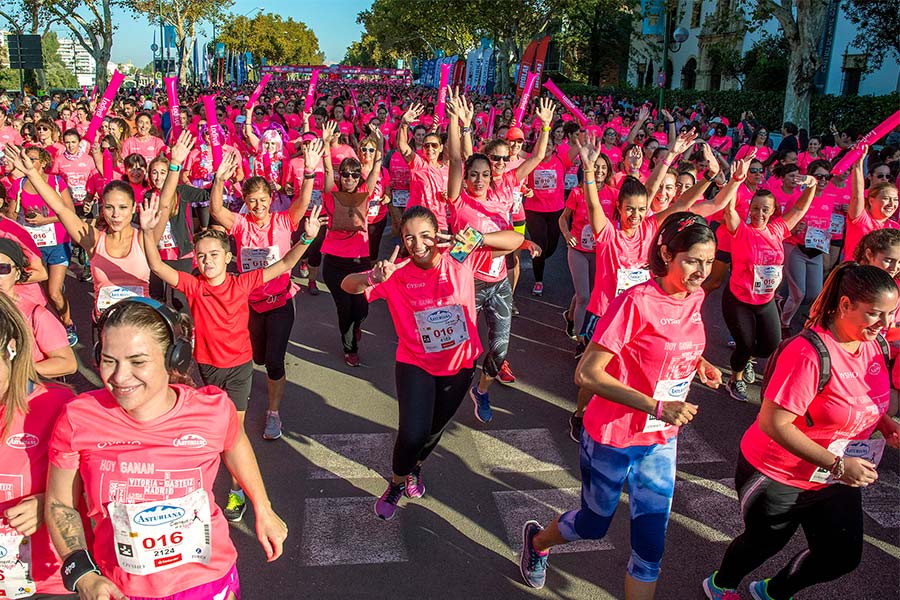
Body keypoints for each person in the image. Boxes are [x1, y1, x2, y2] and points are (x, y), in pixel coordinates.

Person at [519, 212, 723, 596]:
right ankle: (538, 542)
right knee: (593, 524)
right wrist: (656, 406)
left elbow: (673, 342)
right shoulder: (636, 302)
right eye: (693, 261)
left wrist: (699, 363)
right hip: (613, 436)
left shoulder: (694, 296)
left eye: (709, 261)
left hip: (660, 440)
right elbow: (587, 374)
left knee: (650, 549)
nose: (702, 272)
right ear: (667, 254)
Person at [45, 298, 288, 600]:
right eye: (109, 360)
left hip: (206, 581)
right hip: (120, 589)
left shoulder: (211, 410)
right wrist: (82, 574)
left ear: (175, 359)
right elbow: (60, 502)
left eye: (138, 362)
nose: (119, 377)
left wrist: (263, 507)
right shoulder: (79, 418)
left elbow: (235, 442)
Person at [702, 263, 900, 600]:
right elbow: (773, 423)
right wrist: (839, 465)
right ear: (846, 305)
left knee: (841, 555)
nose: (885, 323)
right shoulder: (808, 353)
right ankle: (721, 584)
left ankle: (773, 591)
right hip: (779, 472)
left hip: (832, 475)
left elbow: (858, 398)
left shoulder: (875, 346)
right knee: (764, 543)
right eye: (874, 314)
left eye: (890, 314)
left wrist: (883, 422)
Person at [341, 206, 523, 520]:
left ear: (437, 234)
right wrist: (371, 276)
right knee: (412, 433)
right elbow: (347, 285)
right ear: (402, 241)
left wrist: (479, 238)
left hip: (460, 365)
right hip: (416, 363)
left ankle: (416, 468)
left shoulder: (460, 255)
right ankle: (396, 483)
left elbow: (514, 241)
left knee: (434, 429)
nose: (418, 244)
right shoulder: (396, 273)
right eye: (409, 237)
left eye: (425, 235)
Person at [446, 92, 549, 416]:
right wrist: (457, 122)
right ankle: (447, 388)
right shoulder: (459, 200)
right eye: (473, 175)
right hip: (470, 284)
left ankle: (481, 391)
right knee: (462, 349)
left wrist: (545, 127)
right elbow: (457, 158)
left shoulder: (501, 193)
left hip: (500, 282)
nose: (478, 179)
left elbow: (535, 159)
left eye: (485, 174)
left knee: (500, 350)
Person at [208, 140, 317, 440]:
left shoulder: (283, 221)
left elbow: (303, 202)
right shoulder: (241, 224)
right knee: (256, 357)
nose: (258, 206)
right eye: (252, 200)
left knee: (273, 360)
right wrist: (219, 179)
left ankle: (273, 414)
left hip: (280, 302)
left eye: (263, 200)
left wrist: (309, 172)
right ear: (245, 201)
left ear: (271, 199)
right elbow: (216, 210)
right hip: (250, 304)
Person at [5, 143, 151, 329]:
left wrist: (175, 165)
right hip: (106, 326)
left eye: (123, 207)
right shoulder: (92, 239)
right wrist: (32, 174)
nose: (116, 214)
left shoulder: (145, 237)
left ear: (133, 208)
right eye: (109, 207)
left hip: (141, 325)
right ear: (102, 209)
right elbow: (60, 209)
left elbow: (164, 204)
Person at [0, 292, 79, 599]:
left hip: (44, 582)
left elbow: (98, 487)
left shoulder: (59, 406)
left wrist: (49, 503)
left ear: (11, 348)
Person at [721, 160, 815, 402]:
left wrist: (812, 184)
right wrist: (735, 181)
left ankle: (748, 359)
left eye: (765, 209)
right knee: (744, 344)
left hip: (765, 301)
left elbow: (800, 209)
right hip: (739, 299)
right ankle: (735, 379)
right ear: (749, 209)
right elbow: (728, 210)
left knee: (770, 345)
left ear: (773, 211)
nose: (759, 214)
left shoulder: (777, 230)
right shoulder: (741, 230)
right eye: (755, 208)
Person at [320, 128, 384, 366]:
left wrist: (380, 144)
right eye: (345, 174)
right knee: (344, 308)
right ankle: (350, 349)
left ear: (359, 178)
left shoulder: (364, 193)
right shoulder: (331, 194)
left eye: (354, 175)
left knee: (361, 309)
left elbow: (376, 168)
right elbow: (328, 170)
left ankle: (357, 326)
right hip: (334, 263)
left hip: (359, 261)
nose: (349, 178)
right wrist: (326, 144)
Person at [6, 145, 78, 345]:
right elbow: (12, 213)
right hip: (33, 246)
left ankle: (68, 323)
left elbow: (70, 212)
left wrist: (44, 220)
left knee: (54, 292)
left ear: (44, 162)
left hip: (58, 242)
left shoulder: (56, 182)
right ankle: (52, 324)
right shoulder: (19, 185)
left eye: (34, 159)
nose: (29, 161)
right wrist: (17, 219)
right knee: (44, 292)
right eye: (27, 158)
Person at [0, 238, 75, 378]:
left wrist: (18, 371)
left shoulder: (36, 314)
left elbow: (68, 363)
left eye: (2, 268)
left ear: (17, 273)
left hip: (23, 388)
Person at [843, 149, 899, 262]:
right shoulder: (861, 219)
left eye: (895, 200)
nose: (891, 204)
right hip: (856, 271)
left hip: (882, 274)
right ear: (871, 200)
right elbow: (857, 195)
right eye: (886, 199)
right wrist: (858, 163)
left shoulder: (895, 227)